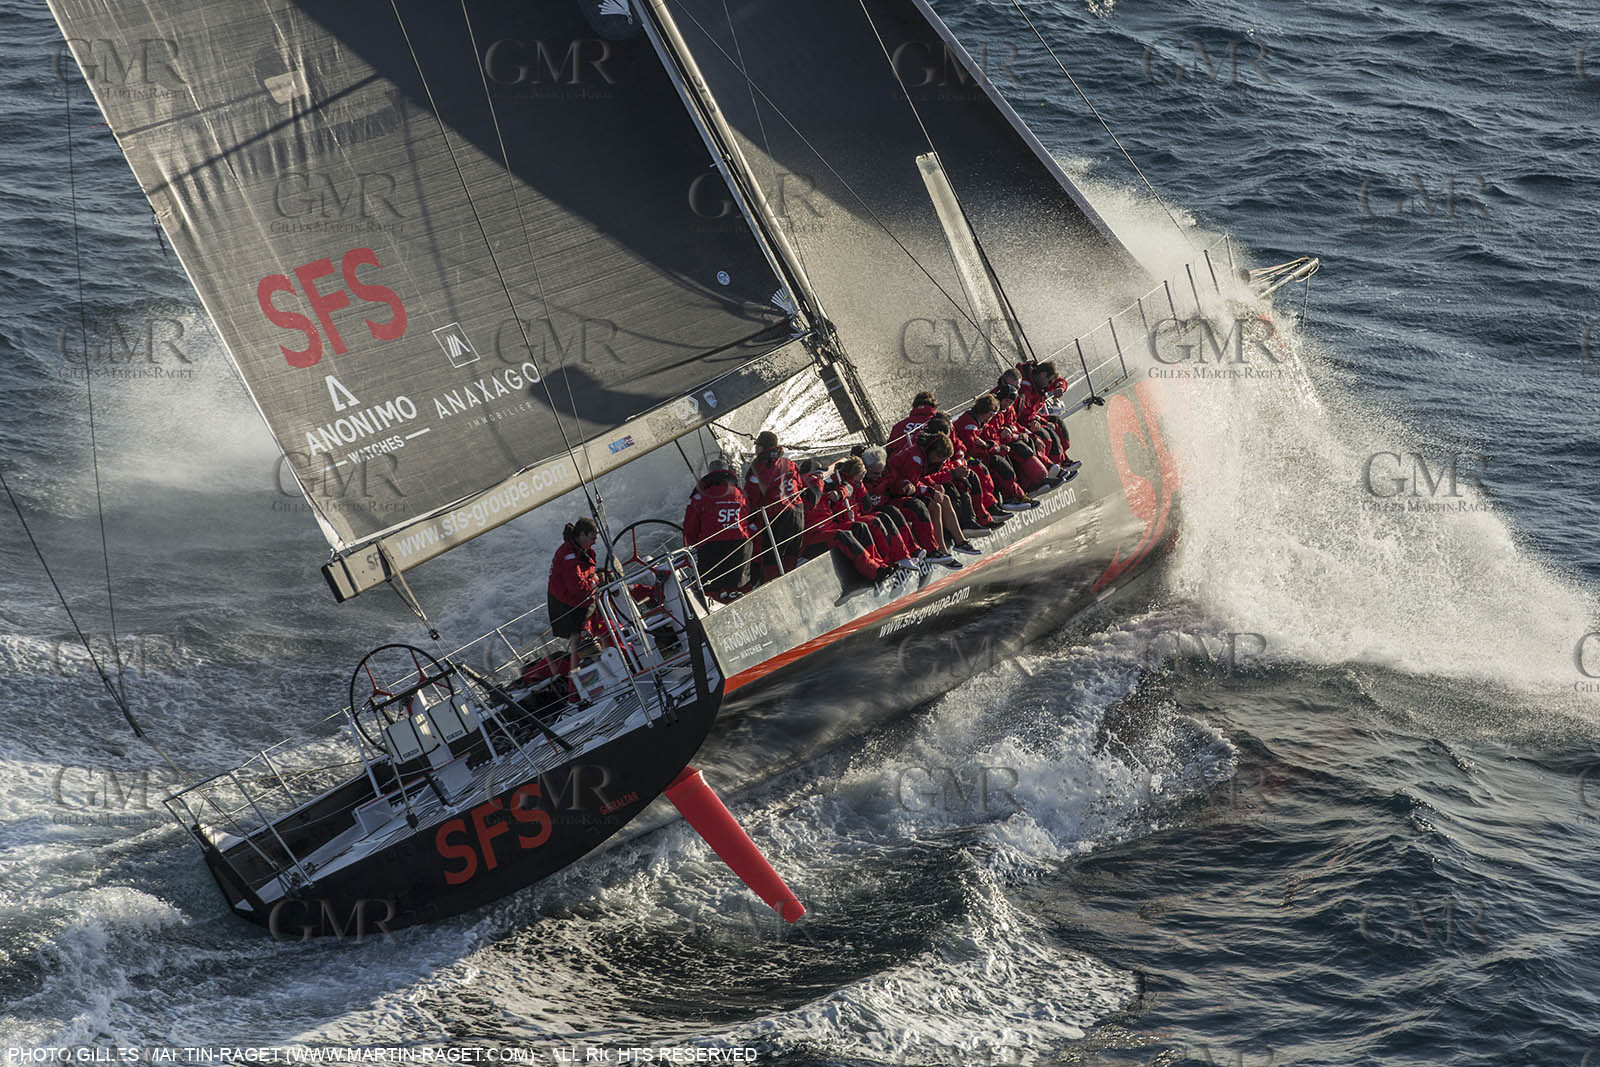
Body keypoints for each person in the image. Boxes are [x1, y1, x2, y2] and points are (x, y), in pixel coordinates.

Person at [796, 457, 898, 582]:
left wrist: (840, 494)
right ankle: (873, 572)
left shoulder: (824, 486)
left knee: (859, 527)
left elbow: (848, 487)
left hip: (829, 527)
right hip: (812, 536)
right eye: (817, 474)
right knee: (842, 536)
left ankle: (879, 564)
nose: (820, 477)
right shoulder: (801, 492)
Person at [886, 431, 981, 557]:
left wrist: (932, 487)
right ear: (933, 451)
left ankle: (960, 541)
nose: (938, 462)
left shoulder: (922, 455)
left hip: (906, 489)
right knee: (934, 506)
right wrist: (931, 491)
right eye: (939, 457)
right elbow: (911, 486)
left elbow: (919, 480)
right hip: (895, 495)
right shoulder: (916, 459)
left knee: (944, 499)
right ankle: (941, 549)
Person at [862, 446, 959, 568]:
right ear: (866, 469)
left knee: (916, 506)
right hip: (872, 511)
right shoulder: (859, 479)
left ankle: (931, 550)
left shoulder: (886, 471)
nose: (879, 475)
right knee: (892, 513)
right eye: (876, 473)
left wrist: (905, 485)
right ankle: (904, 555)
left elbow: (896, 481)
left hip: (888, 501)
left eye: (881, 472)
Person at [547, 516, 613, 669]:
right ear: (582, 534)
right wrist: (596, 580)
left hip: (583, 605)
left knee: (598, 641)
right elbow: (577, 588)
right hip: (569, 609)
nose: (595, 542)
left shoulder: (582, 551)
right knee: (588, 652)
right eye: (592, 538)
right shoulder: (569, 556)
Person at [953, 394, 1039, 511]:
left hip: (972, 456)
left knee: (1002, 458)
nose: (991, 417)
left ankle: (1017, 495)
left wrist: (993, 446)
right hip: (967, 459)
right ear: (985, 411)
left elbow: (988, 441)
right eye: (991, 414)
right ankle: (1003, 501)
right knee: (994, 466)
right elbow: (974, 448)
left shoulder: (979, 422)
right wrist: (991, 447)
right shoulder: (970, 424)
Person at [682, 458, 751, 598]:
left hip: (711, 549)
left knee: (712, 591)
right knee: (741, 586)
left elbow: (690, 528)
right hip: (741, 546)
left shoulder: (699, 496)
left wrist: (696, 545)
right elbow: (748, 517)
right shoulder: (740, 493)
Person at [744, 431, 804, 580]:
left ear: (763, 448)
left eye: (757, 446)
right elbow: (800, 485)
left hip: (777, 518)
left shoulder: (760, 467)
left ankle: (775, 589)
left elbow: (751, 497)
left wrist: (748, 519)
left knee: (771, 560)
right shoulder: (789, 463)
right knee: (792, 556)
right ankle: (794, 584)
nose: (755, 449)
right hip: (798, 514)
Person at [1017, 360, 1081, 479]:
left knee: (1057, 423)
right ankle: (1052, 468)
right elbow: (1022, 414)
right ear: (1042, 375)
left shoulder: (1040, 382)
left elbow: (1061, 381)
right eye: (1049, 381)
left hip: (1033, 417)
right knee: (1047, 435)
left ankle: (1064, 461)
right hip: (1024, 422)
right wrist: (1038, 421)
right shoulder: (1025, 388)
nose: (1049, 385)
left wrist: (1060, 388)